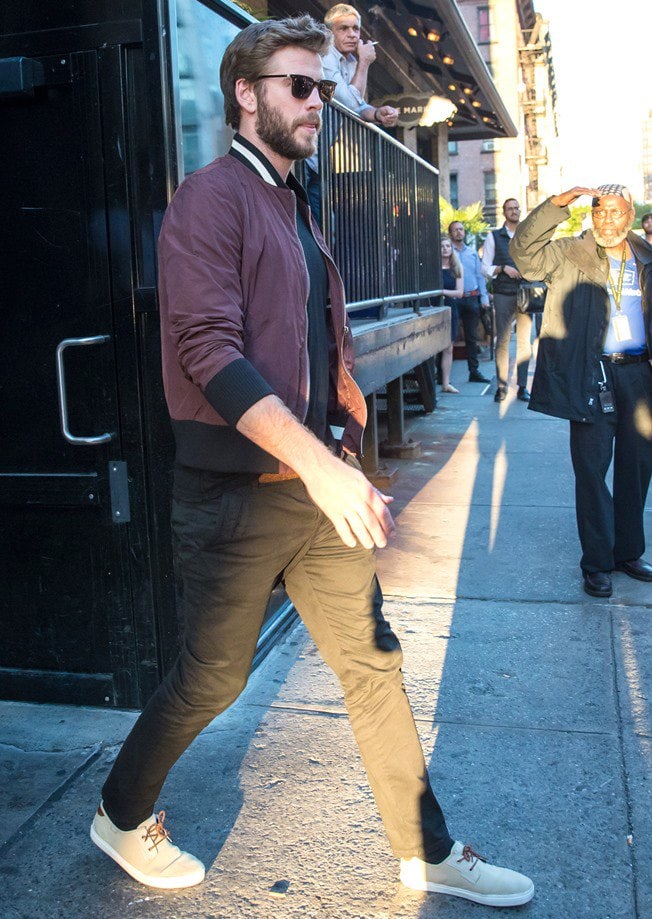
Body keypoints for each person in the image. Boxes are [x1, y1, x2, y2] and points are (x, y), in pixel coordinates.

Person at [89, 15, 534, 908]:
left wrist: (341, 454)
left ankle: (426, 848)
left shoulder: (295, 202)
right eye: (302, 86)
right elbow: (209, 352)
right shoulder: (211, 198)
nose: (317, 104)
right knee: (212, 675)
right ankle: (119, 810)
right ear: (246, 94)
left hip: (311, 483)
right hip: (232, 493)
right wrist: (323, 466)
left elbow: (313, 350)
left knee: (371, 659)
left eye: (325, 89)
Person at [511, 184, 652, 598]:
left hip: (640, 375)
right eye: (599, 211)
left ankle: (627, 552)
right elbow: (524, 255)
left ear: (629, 215)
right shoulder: (570, 252)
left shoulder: (645, 256)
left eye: (615, 212)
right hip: (592, 375)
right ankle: (597, 563)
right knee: (591, 472)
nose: (607, 219)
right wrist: (556, 205)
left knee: (638, 467)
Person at [305, 3, 398, 224]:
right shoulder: (324, 57)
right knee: (316, 227)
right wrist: (364, 63)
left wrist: (377, 114)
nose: (352, 35)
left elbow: (357, 106)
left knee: (326, 228)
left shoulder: (349, 63)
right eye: (343, 28)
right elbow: (347, 101)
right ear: (329, 32)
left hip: (318, 158)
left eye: (355, 29)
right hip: (302, 158)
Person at [482, 199, 532, 403]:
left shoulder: (527, 236)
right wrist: (503, 268)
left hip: (526, 293)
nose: (514, 211)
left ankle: (522, 388)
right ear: (504, 212)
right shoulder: (494, 236)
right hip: (503, 292)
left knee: (524, 343)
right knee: (502, 340)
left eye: (516, 208)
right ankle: (501, 387)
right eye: (510, 208)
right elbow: (484, 268)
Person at [447, 220, 491, 384]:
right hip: (453, 299)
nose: (459, 232)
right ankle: (444, 376)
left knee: (471, 338)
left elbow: (480, 277)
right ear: (450, 233)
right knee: (448, 338)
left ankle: (474, 371)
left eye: (461, 229)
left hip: (471, 298)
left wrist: (484, 297)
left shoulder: (472, 253)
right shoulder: (447, 253)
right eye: (455, 230)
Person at [435, 235, 464, 393]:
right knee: (431, 348)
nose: (445, 249)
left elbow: (459, 292)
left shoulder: (456, 268)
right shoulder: (432, 268)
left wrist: (442, 292)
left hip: (451, 308)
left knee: (448, 347)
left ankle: (446, 383)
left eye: (448, 246)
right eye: (442, 246)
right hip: (435, 307)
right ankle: (434, 381)